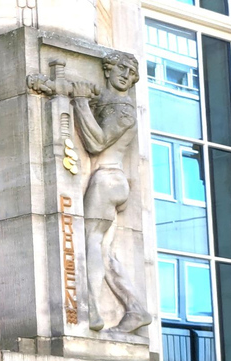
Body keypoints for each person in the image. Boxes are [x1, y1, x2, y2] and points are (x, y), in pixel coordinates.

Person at [72, 52, 151, 333]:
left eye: (132, 72)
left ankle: (91, 307)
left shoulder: (124, 109)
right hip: (107, 181)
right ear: (108, 69)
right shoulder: (111, 101)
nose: (126, 75)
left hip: (108, 180)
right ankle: (135, 309)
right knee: (105, 253)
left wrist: (80, 102)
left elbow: (96, 142)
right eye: (121, 68)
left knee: (89, 241)